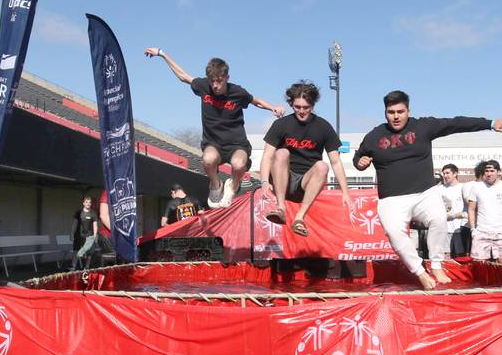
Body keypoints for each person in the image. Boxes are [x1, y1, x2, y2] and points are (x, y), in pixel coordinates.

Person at [353, 90, 502, 289]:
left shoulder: (422, 126)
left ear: (408, 111)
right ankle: (420, 272)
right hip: (392, 198)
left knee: (439, 218)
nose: (396, 116)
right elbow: (358, 158)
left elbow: (455, 123)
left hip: (424, 193)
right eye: (391, 112)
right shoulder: (374, 136)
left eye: (400, 111)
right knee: (394, 233)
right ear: (385, 113)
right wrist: (360, 163)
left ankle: (436, 264)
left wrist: (489, 124)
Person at [143, 48, 284, 208]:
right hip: (213, 143)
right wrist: (162, 54)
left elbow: (255, 101)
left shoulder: (237, 92)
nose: (215, 85)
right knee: (208, 160)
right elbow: (183, 76)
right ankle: (216, 186)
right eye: (212, 81)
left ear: (227, 78)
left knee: (238, 164)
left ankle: (232, 186)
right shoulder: (204, 86)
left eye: (219, 81)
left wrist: (273, 107)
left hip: (236, 144)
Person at [260, 81, 353, 236]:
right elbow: (267, 156)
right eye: (297, 107)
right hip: (283, 180)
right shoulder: (281, 124)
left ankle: (300, 218)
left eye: (306, 107)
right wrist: (264, 182)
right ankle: (280, 208)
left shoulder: (323, 127)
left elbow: (335, 162)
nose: (302, 111)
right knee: (282, 153)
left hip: (305, 185)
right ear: (291, 105)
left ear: (313, 105)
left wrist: (346, 192)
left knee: (322, 166)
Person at [468, 160, 502, 264]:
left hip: (501, 233)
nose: (489, 174)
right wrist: (473, 230)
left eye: (492, 171)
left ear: (498, 171)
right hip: (481, 232)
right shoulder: (476, 187)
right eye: (487, 171)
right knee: (479, 265)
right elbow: (471, 209)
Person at [440, 164, 469, 258]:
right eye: (444, 173)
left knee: (460, 256)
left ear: (455, 173)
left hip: (459, 229)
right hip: (445, 229)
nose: (445, 175)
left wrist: (457, 215)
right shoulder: (440, 189)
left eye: (447, 173)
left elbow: (469, 208)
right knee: (446, 256)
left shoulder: (464, 187)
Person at [71, 196, 98, 271]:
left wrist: (95, 236)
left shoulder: (93, 213)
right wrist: (72, 233)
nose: (88, 204)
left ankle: (86, 267)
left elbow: (95, 225)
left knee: (89, 252)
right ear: (83, 203)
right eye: (86, 202)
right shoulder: (78, 212)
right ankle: (73, 267)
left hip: (89, 236)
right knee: (76, 250)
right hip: (78, 236)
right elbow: (75, 224)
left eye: (90, 202)